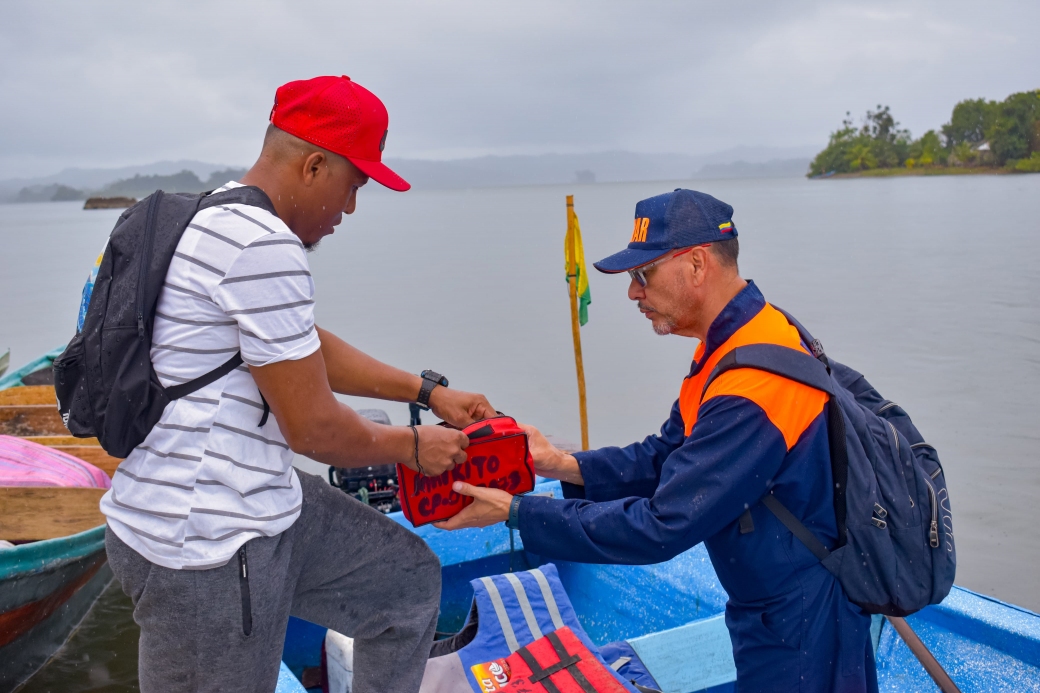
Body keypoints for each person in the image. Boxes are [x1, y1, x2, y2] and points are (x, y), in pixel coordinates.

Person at [101, 75, 496, 693]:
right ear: (315, 165)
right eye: (354, 184)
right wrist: (413, 449)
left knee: (407, 585)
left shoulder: (215, 215)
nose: (351, 208)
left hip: (261, 507)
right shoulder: (262, 245)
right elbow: (313, 428)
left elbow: (302, 344)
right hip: (205, 547)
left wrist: (427, 394)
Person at [437, 189, 878, 693]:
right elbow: (667, 454)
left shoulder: (754, 386)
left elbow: (661, 527)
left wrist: (516, 512)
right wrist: (560, 464)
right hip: (771, 605)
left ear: (695, 264)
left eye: (642, 275)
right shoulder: (736, 341)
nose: (632, 293)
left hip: (804, 618)